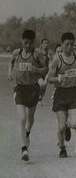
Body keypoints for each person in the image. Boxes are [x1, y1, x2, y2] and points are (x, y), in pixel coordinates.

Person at [8, 29, 48, 161]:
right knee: (22, 118)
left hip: (33, 89)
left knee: (30, 117)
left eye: (30, 43)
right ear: (22, 41)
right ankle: (24, 148)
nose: (27, 46)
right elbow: (11, 61)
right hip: (20, 88)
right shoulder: (16, 53)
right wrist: (10, 72)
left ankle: (27, 133)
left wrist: (36, 69)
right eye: (25, 43)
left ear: (33, 42)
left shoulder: (36, 54)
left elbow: (45, 69)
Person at [47, 32, 76, 158]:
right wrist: (60, 78)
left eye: (72, 45)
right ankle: (62, 148)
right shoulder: (57, 59)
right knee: (61, 127)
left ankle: (69, 124)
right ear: (61, 44)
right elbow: (49, 79)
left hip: (74, 92)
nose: (69, 47)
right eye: (67, 44)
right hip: (61, 93)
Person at [37, 38, 53, 105]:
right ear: (41, 44)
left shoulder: (50, 53)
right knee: (41, 84)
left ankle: (40, 99)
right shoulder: (38, 52)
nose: (46, 44)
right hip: (38, 72)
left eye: (47, 43)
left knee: (45, 86)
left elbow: (51, 63)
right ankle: (37, 97)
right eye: (45, 43)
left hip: (46, 72)